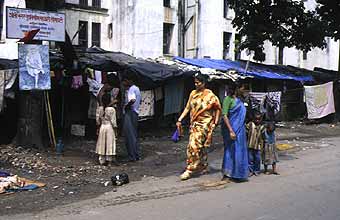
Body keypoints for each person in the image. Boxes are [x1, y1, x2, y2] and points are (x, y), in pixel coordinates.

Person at [176, 73, 221, 181]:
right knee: (201, 146)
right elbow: (187, 108)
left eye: (198, 82)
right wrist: (180, 119)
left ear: (204, 83)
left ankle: (190, 169)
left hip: (205, 124)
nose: (196, 84)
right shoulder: (193, 93)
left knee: (194, 145)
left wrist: (214, 123)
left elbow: (217, 108)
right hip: (194, 123)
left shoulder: (210, 95)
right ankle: (203, 165)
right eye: (195, 82)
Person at [221, 82, 249, 181]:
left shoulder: (240, 100)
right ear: (236, 89)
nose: (243, 90)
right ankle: (227, 173)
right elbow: (224, 115)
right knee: (230, 151)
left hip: (240, 130)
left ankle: (238, 173)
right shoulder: (227, 100)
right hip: (231, 129)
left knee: (240, 151)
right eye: (242, 88)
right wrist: (231, 130)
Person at [122, 77, 141, 162]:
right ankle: (136, 154)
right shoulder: (137, 88)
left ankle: (132, 156)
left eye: (125, 81)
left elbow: (132, 100)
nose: (124, 83)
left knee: (129, 135)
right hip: (135, 113)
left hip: (130, 112)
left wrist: (126, 106)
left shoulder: (131, 89)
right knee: (133, 134)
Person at [96, 93, 118, 165]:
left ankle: (102, 160)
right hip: (109, 128)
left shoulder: (100, 109)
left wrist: (98, 128)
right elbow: (114, 122)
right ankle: (109, 161)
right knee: (109, 143)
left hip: (102, 127)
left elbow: (98, 121)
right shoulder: (111, 109)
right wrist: (116, 131)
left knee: (102, 143)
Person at [246, 112, 265, 176]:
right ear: (253, 119)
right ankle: (250, 171)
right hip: (250, 145)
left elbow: (264, 136)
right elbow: (246, 132)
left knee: (257, 159)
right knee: (250, 159)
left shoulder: (262, 127)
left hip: (258, 146)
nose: (257, 120)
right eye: (256, 119)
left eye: (259, 119)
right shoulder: (250, 124)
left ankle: (256, 170)